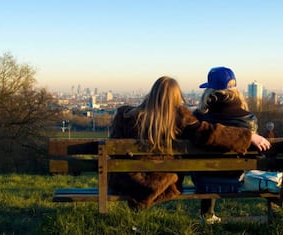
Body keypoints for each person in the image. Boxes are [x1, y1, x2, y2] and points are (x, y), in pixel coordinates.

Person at [109, 76, 270, 211]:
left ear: (151, 94)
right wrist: (248, 137)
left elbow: (112, 150)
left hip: (125, 182)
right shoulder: (179, 117)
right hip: (160, 184)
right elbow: (210, 133)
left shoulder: (125, 115)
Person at [192, 66, 267, 224]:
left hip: (202, 179)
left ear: (209, 91)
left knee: (207, 165)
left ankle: (207, 214)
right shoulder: (248, 119)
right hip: (235, 177)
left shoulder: (198, 118)